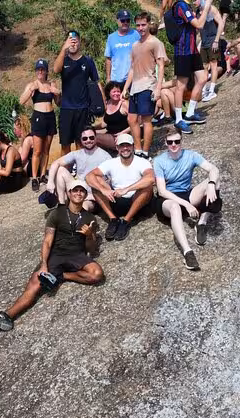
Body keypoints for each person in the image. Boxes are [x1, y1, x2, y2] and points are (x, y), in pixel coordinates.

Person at [0, 179, 104, 332]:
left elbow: (91, 249)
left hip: (77, 254)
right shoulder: (57, 213)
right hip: (56, 254)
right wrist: (44, 264)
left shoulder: (90, 218)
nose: (78, 193)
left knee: (96, 275)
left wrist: (90, 235)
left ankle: (62, 276)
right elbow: (47, 241)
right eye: (75, 190)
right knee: (35, 283)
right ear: (69, 193)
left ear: (85, 195)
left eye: (82, 191)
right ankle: (6, 316)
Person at [152, 129, 222, 270]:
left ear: (181, 141)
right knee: (175, 207)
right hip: (167, 199)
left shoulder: (191, 155)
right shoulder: (159, 161)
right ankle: (187, 252)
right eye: (170, 142)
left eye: (177, 141)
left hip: (187, 193)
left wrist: (211, 184)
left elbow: (213, 169)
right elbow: (162, 190)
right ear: (165, 143)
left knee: (216, 180)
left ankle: (201, 223)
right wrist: (187, 205)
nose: (173, 145)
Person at [86, 133, 154, 241]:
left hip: (136, 200)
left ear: (133, 146)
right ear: (117, 148)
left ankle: (126, 221)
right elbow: (89, 176)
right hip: (116, 200)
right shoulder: (111, 162)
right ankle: (113, 219)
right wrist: (104, 190)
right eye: (122, 146)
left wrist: (126, 189)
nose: (125, 148)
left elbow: (150, 178)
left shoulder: (142, 162)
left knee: (148, 187)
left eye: (128, 145)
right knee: (96, 183)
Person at [165, 0, 215, 134]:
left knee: (203, 78)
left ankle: (190, 113)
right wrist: (207, 7)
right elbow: (199, 25)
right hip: (183, 51)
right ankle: (179, 119)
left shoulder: (186, 6)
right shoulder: (180, 5)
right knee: (181, 86)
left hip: (192, 50)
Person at [122, 12, 166, 159]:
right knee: (131, 119)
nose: (140, 28)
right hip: (135, 87)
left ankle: (146, 152)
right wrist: (125, 88)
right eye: (138, 25)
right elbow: (132, 69)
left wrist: (158, 88)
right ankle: (138, 149)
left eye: (143, 25)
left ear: (148, 24)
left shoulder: (155, 42)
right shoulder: (135, 45)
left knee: (146, 119)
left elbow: (161, 66)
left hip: (148, 85)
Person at [53, 30, 102, 157]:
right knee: (65, 144)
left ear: (80, 42)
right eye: (70, 41)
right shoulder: (63, 60)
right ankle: (66, 169)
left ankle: (80, 169)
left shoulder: (88, 61)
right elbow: (55, 69)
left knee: (81, 142)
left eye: (75, 41)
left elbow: (97, 82)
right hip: (66, 109)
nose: (73, 44)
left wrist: (104, 102)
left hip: (83, 108)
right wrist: (64, 48)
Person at [46, 126, 112, 211]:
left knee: (81, 209)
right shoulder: (77, 154)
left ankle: (75, 210)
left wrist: (99, 193)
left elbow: (111, 180)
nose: (88, 140)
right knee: (60, 170)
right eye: (85, 138)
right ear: (81, 140)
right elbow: (56, 163)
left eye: (91, 137)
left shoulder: (105, 156)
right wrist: (50, 182)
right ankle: (61, 206)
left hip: (92, 195)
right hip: (78, 188)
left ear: (96, 138)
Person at [19, 59, 60, 192]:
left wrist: (57, 93)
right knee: (37, 150)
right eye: (38, 69)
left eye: (42, 69)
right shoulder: (32, 84)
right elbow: (21, 101)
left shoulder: (51, 84)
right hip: (38, 117)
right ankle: (34, 178)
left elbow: (58, 102)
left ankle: (43, 175)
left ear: (46, 71)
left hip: (50, 117)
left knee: (46, 150)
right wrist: (30, 90)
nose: (40, 71)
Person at [197, 0, 225, 103]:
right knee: (204, 67)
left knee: (213, 66)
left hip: (213, 40)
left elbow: (221, 24)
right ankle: (204, 90)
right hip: (204, 42)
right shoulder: (197, 12)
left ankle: (212, 91)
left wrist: (217, 40)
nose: (194, 1)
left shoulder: (212, 9)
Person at [104, 10, 141, 87]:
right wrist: (108, 77)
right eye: (123, 20)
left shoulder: (136, 34)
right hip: (116, 79)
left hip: (134, 78)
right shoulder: (111, 37)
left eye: (127, 20)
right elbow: (108, 59)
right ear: (117, 21)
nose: (125, 23)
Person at [95, 81, 130, 151]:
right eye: (114, 92)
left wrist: (123, 132)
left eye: (118, 91)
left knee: (92, 137)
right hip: (109, 134)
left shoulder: (124, 104)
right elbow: (104, 124)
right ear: (108, 93)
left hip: (121, 136)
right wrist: (92, 128)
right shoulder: (107, 104)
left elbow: (137, 122)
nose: (116, 94)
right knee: (86, 133)